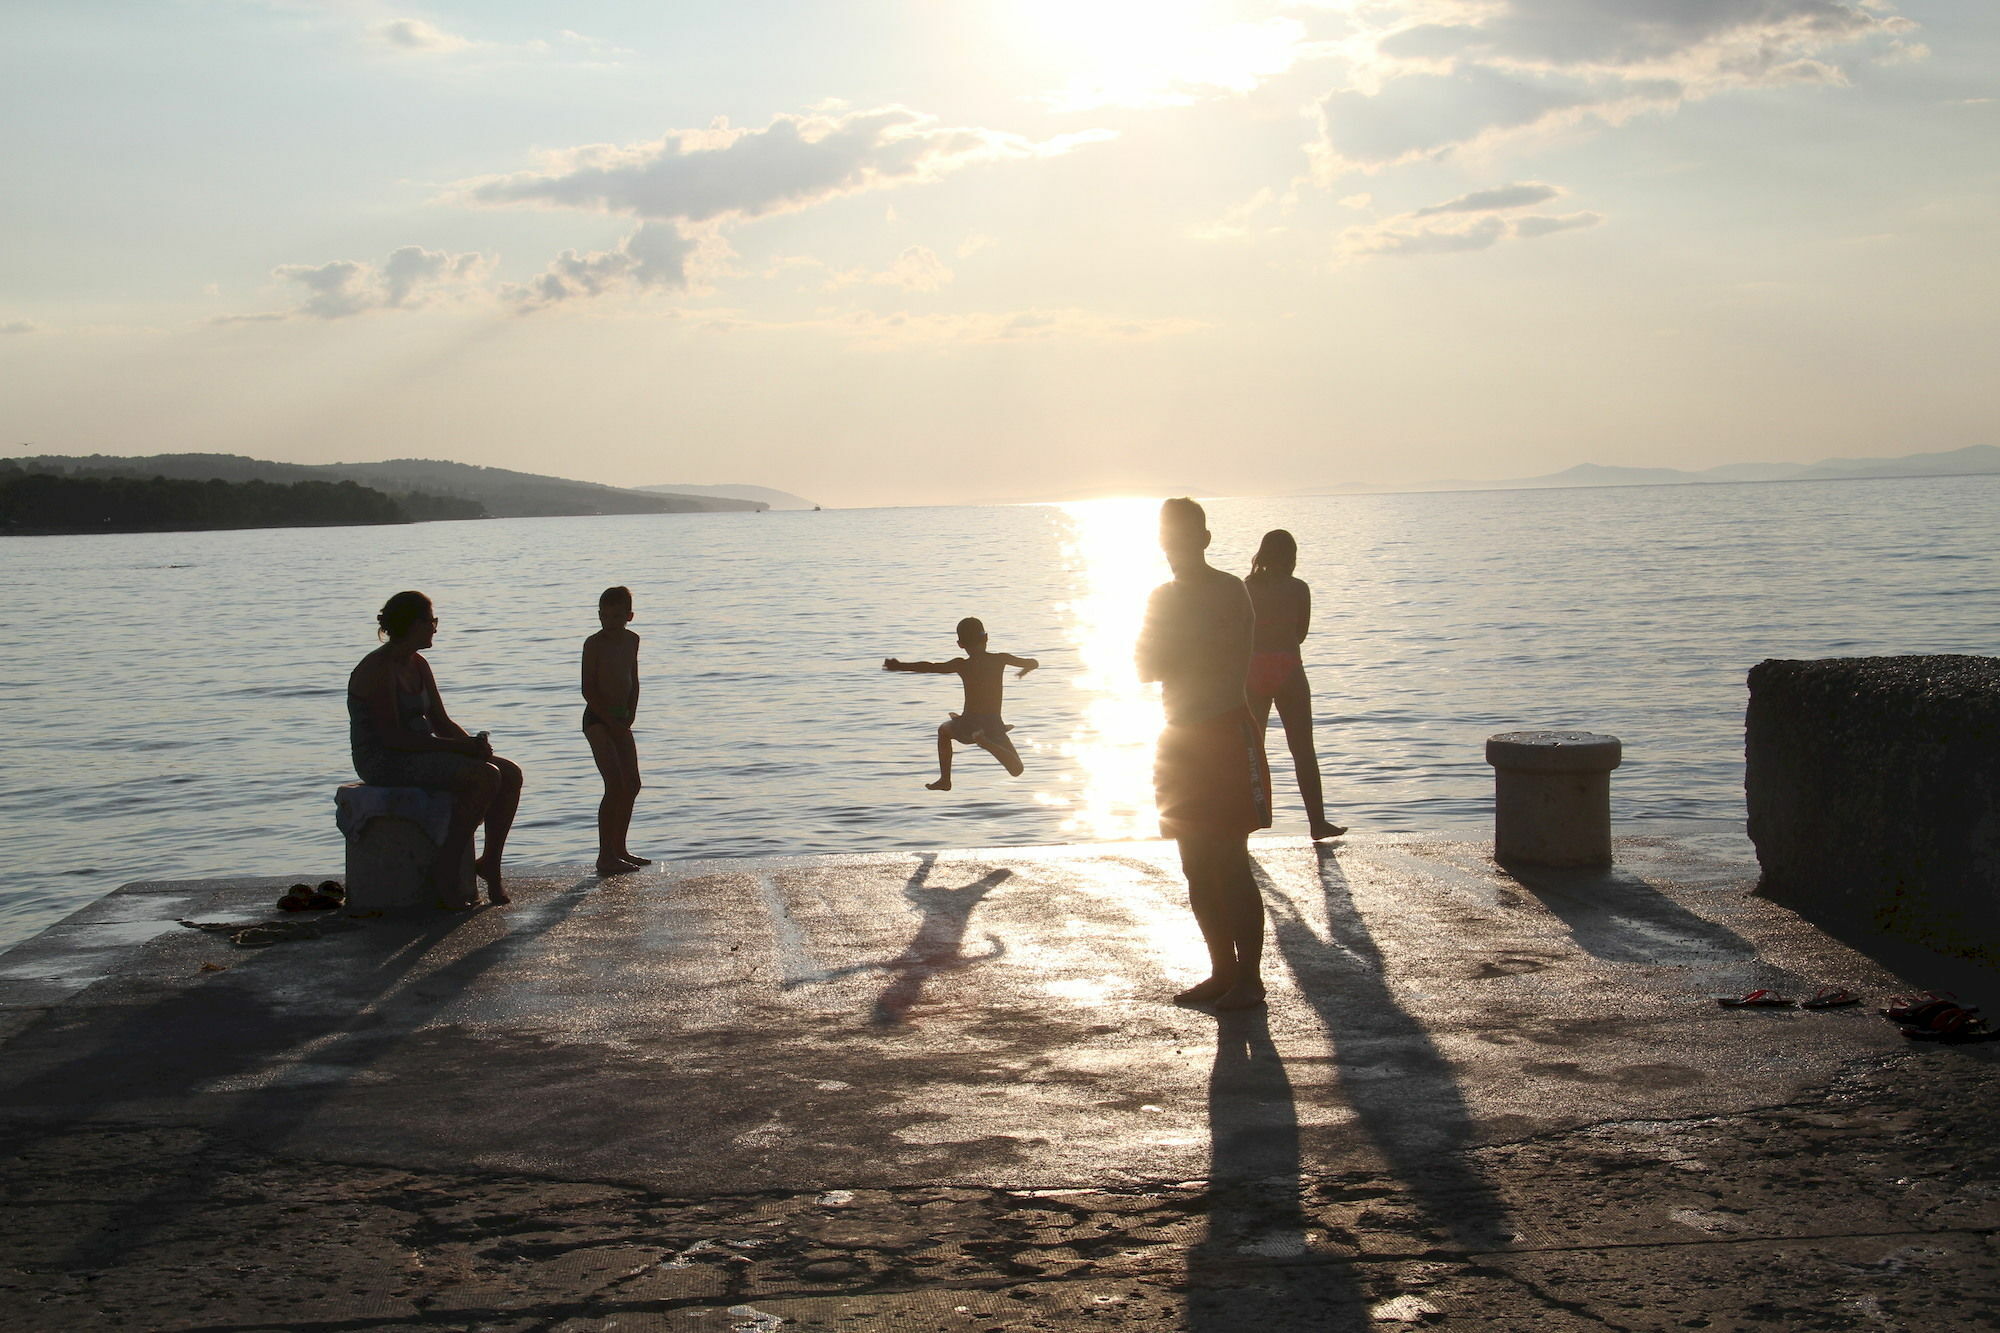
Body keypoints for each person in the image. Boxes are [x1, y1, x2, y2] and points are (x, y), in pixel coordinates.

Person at [1137, 499, 1273, 1010]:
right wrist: (1180, 650)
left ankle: (1250, 980)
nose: (1174, 545)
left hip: (1224, 731)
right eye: (1167, 536)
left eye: (1183, 535)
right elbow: (1145, 666)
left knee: (1230, 860)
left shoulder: (1228, 589)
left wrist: (1178, 649)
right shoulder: (1161, 597)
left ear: (1205, 539)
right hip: (1179, 735)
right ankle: (1222, 971)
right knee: (1195, 862)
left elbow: (1204, 657)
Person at [347, 590, 522, 907]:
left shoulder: (418, 664)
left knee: (509, 773)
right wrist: (457, 749)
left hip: (420, 751)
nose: (435, 627)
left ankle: (490, 863)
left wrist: (471, 745)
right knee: (485, 778)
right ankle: (447, 865)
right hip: (384, 760)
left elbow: (440, 721)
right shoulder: (378, 669)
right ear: (412, 624)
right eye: (431, 621)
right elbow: (393, 738)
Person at [1245, 529, 1347, 841]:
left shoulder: (1245, 587)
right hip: (1288, 667)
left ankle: (1246, 825)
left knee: (1252, 750)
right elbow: (1301, 632)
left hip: (1254, 668)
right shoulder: (1299, 588)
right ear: (1290, 557)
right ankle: (1317, 823)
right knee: (1302, 749)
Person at [884, 617, 1039, 791]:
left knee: (943, 731)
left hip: (969, 727)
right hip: (994, 725)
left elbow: (930, 667)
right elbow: (1034, 662)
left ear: (960, 644)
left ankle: (945, 779)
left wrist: (900, 666)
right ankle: (986, 742)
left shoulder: (961, 665)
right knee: (1017, 769)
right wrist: (1024, 671)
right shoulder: (1000, 659)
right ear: (986, 638)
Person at [582, 585, 648, 877]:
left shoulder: (632, 640)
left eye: (616, 616)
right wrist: (610, 721)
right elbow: (588, 689)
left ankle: (620, 848)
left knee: (632, 783)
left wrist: (630, 713)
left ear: (629, 616)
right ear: (598, 616)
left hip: (622, 719)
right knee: (615, 784)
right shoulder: (593, 644)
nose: (609, 622)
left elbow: (633, 679)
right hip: (597, 720)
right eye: (604, 616)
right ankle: (604, 855)